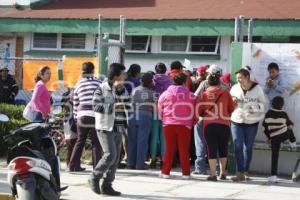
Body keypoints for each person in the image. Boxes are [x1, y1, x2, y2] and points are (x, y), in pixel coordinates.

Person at [90, 63, 130, 196]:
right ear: (116, 75)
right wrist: (113, 106)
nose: (124, 76)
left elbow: (128, 105)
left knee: (116, 157)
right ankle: (94, 177)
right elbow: (96, 106)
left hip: (119, 127)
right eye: (123, 74)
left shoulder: (123, 89)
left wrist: (121, 93)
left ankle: (107, 185)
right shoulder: (101, 88)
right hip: (105, 127)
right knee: (110, 155)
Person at [158, 73, 196, 179]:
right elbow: (195, 109)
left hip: (168, 123)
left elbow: (160, 107)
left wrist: (164, 118)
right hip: (185, 125)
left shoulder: (165, 94)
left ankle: (165, 172)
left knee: (169, 149)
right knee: (184, 150)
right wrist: (193, 121)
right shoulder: (190, 95)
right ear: (184, 82)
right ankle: (186, 173)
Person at [197, 74, 235, 181]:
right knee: (223, 148)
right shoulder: (226, 93)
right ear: (219, 83)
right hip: (224, 124)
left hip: (209, 125)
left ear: (208, 83)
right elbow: (231, 109)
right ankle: (223, 173)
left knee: (211, 149)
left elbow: (200, 111)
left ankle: (213, 174)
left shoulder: (204, 94)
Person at [230, 68, 266, 181]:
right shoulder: (235, 87)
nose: (238, 80)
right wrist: (233, 100)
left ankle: (245, 171)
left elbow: (263, 104)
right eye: (237, 78)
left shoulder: (257, 88)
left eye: (240, 78)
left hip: (252, 122)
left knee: (248, 148)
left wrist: (254, 108)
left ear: (247, 77)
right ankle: (239, 172)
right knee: (238, 146)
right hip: (237, 120)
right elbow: (229, 100)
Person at [68, 62, 102, 172]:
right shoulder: (99, 83)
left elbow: (75, 102)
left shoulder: (78, 84)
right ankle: (97, 168)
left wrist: (76, 117)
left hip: (82, 115)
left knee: (80, 140)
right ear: (93, 71)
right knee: (96, 142)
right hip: (95, 115)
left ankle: (73, 166)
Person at [193, 64, 225, 175]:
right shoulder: (225, 86)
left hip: (202, 118)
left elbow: (195, 97)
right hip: (219, 119)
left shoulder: (204, 84)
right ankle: (216, 168)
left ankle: (200, 168)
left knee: (200, 142)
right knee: (215, 143)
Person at [262, 96, 297, 183]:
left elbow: (265, 127)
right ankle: (292, 142)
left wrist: (269, 138)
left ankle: (273, 176)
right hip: (284, 135)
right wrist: (290, 125)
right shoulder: (283, 113)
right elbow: (290, 124)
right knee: (289, 127)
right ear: (282, 105)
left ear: (272, 104)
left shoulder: (268, 113)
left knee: (275, 155)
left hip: (274, 138)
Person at [127, 72, 156, 169]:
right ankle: (139, 164)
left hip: (132, 115)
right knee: (142, 141)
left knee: (131, 140)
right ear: (150, 82)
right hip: (145, 116)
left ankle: (130, 163)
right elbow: (155, 105)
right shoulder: (152, 93)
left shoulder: (134, 90)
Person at [149, 63, 172, 168]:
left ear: (156, 70)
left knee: (154, 136)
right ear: (165, 70)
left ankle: (153, 160)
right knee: (164, 138)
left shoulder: (152, 80)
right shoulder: (170, 80)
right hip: (166, 111)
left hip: (154, 110)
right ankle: (163, 160)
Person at [61, 88, 77, 166]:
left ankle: (71, 164)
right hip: (71, 121)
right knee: (72, 144)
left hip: (67, 121)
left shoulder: (66, 95)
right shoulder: (70, 95)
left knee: (71, 145)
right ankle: (71, 164)